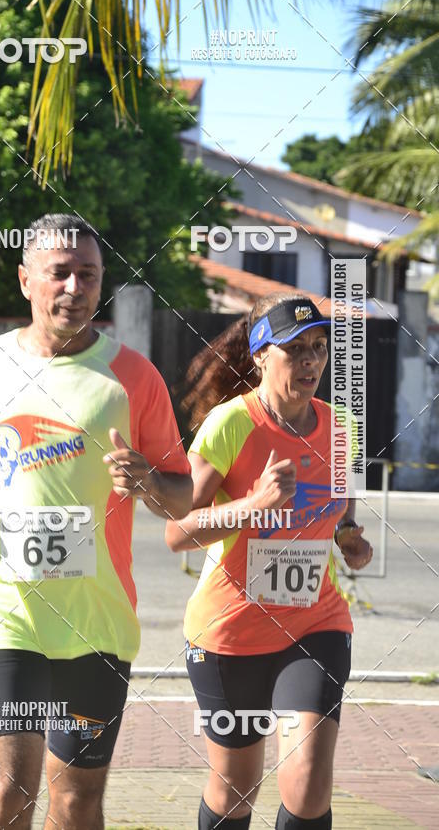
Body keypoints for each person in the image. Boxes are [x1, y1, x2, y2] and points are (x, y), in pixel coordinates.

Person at [0, 213, 192, 830]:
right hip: (3, 609)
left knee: (76, 804)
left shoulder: (134, 377)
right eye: (60, 274)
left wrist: (149, 483)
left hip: (96, 618)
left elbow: (182, 498)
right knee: (9, 791)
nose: (74, 288)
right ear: (26, 280)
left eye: (89, 275)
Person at [165, 293, 373, 830]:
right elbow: (177, 532)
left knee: (307, 781)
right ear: (261, 356)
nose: (310, 362)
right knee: (235, 792)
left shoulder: (343, 426)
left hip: (316, 622)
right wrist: (252, 506)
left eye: (318, 349)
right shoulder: (230, 424)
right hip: (229, 632)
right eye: (294, 350)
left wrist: (350, 538)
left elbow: (342, 509)